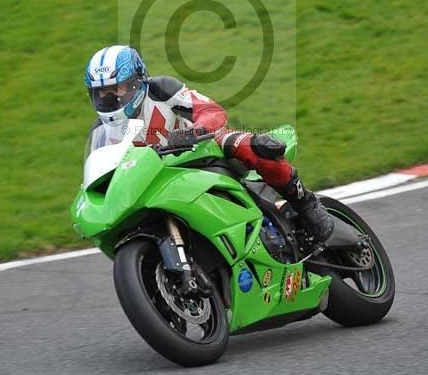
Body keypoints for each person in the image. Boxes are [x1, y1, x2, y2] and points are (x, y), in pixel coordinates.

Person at [85, 44, 333, 242]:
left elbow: (211, 111)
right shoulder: (101, 131)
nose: (109, 99)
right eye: (101, 93)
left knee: (255, 147)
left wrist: (194, 131)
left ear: (136, 82)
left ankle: (306, 202)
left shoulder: (160, 89)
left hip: (198, 149)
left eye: (116, 89)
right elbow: (101, 175)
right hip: (156, 179)